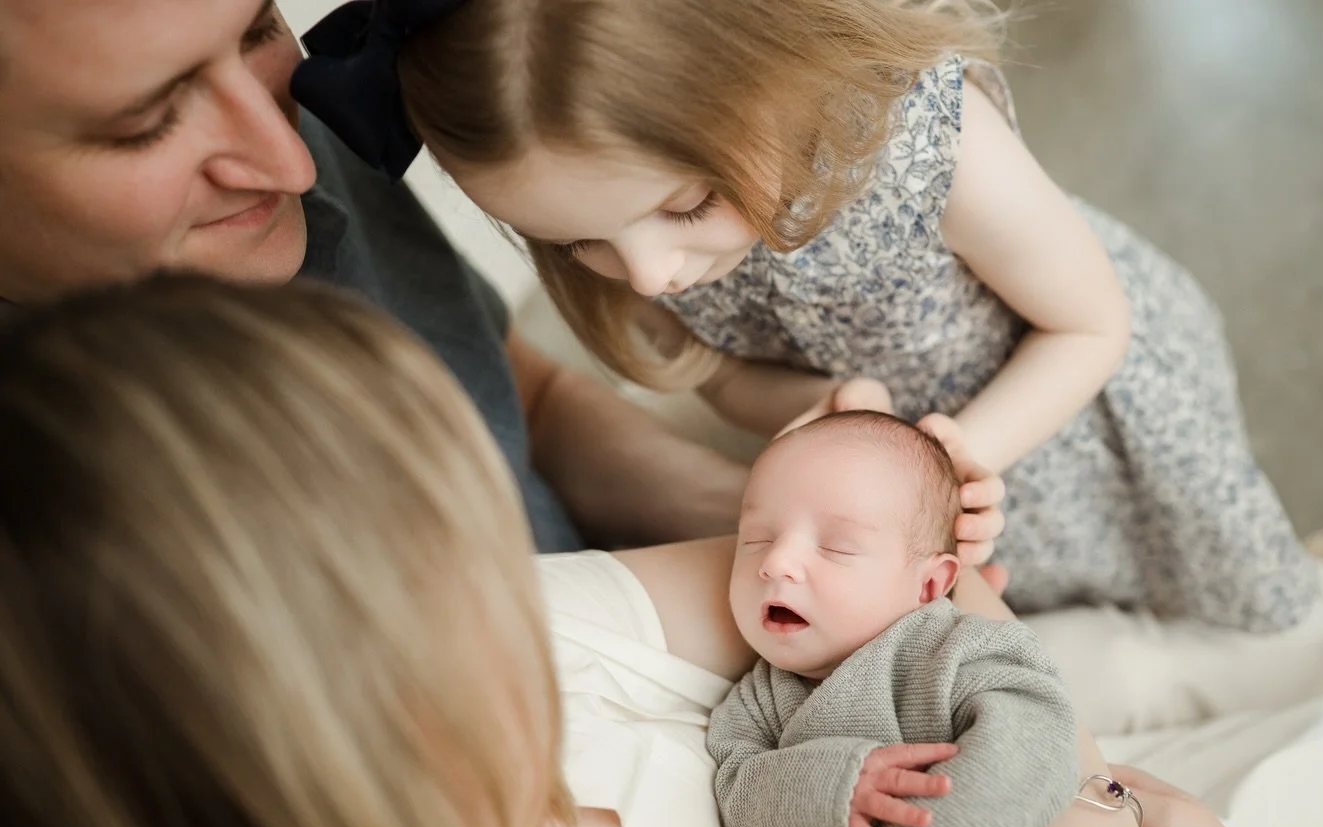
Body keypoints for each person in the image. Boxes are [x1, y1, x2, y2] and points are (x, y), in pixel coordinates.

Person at [0, 273, 1296, 827]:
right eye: (452, 545)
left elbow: (961, 618)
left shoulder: (549, 633)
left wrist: (819, 516)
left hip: (1008, 749)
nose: (495, 579)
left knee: (1164, 665)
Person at [292, 0, 1323, 733]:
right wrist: (826, 411)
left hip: (1073, 415)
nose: (646, 273)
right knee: (1029, 613)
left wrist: (959, 453)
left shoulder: (921, 144)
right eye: (580, 243)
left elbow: (1093, 323)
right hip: (916, 475)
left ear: (760, 85)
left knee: (1214, 581)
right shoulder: (644, 234)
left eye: (683, 206)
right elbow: (722, 377)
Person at [0, 0, 789, 554]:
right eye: (147, 125)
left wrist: (774, 523)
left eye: (260, 30)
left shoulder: (282, 137)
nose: (293, 160)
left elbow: (525, 405)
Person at [708, 412, 1079, 827]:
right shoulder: (758, 700)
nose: (776, 563)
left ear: (929, 584)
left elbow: (1035, 752)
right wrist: (828, 787)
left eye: (836, 547)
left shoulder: (959, 650)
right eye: (756, 539)